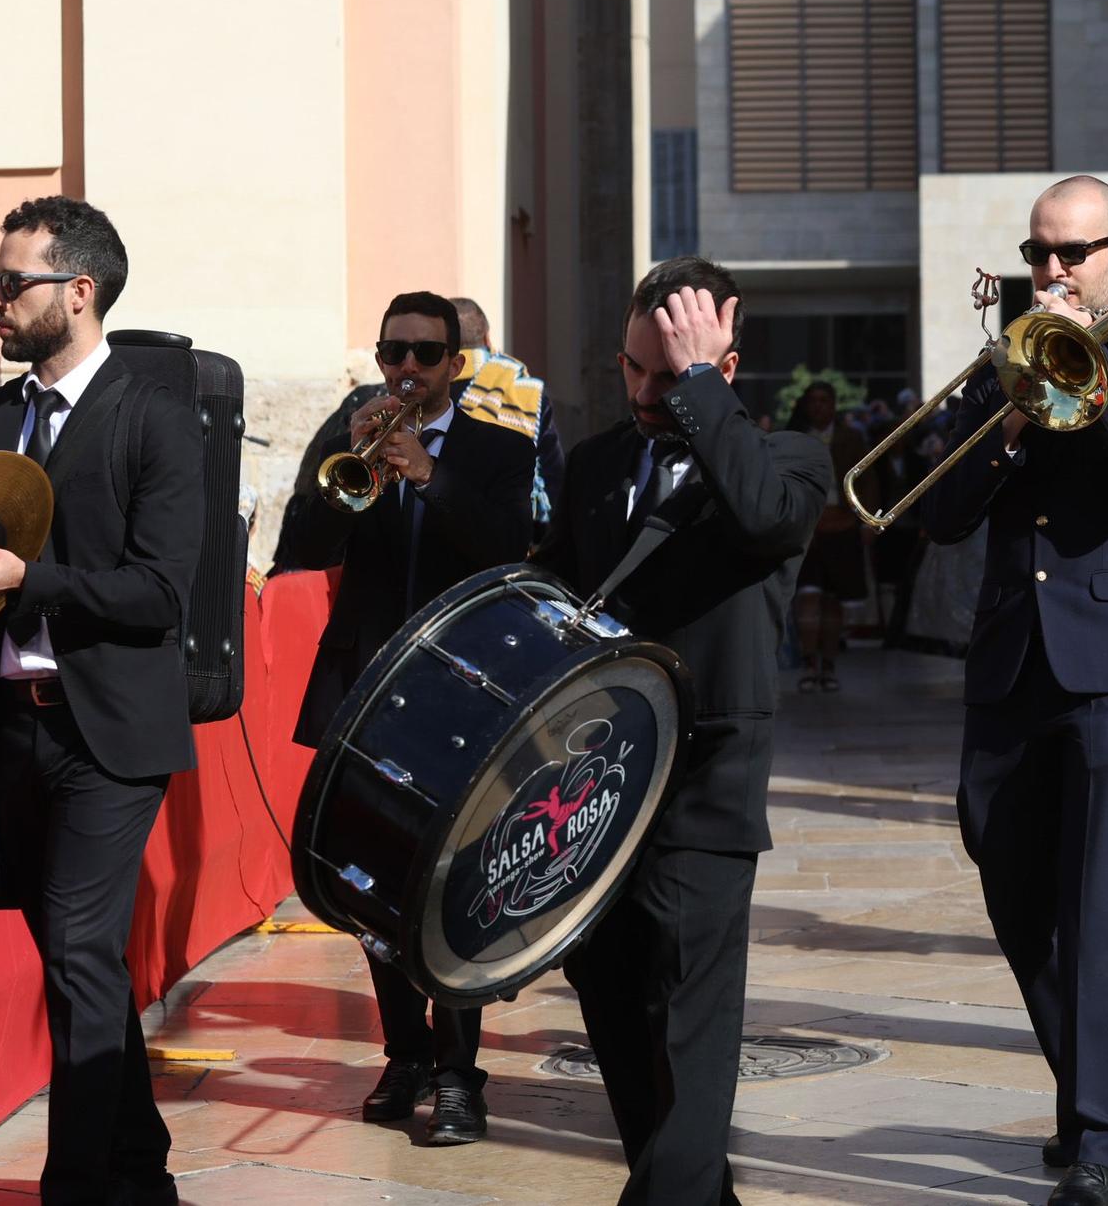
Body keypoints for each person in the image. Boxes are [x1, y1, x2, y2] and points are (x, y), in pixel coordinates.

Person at [920, 175, 1108, 1206]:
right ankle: (1106, 1065)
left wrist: (1086, 362)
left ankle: (1098, 1140)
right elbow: (937, 508)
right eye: (1040, 252)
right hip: (1011, 653)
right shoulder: (997, 360)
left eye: (1074, 252)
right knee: (1005, 871)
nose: (1052, 269)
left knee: (1102, 898)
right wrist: (1004, 417)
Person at [543, 255, 829, 1205]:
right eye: (631, 368)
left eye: (668, 373)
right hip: (597, 780)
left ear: (722, 365)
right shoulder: (590, 466)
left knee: (693, 1026)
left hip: (707, 778)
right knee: (613, 1005)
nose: (643, 392)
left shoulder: (785, 458)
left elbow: (760, 516)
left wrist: (702, 393)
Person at [0, 195, 205, 1204]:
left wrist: (31, 581)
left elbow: (160, 594)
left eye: (14, 284)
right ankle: (141, 1167)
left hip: (111, 738)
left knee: (80, 949)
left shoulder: (153, 415)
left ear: (80, 293)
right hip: (9, 729)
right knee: (77, 957)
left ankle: (81, 1187)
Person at [281, 292, 536, 1145]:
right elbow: (301, 549)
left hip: (461, 694)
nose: (408, 369)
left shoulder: (500, 447)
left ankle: (461, 1070)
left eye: (427, 354)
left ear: (456, 364)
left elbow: (510, 551)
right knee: (364, 874)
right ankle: (406, 1051)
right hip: (365, 685)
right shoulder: (351, 430)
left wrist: (429, 474)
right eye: (395, 351)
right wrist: (352, 462)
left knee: (455, 880)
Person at [449, 294, 567, 532]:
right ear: (487, 338)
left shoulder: (425, 391)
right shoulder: (526, 390)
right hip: (514, 539)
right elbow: (554, 478)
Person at [784, 380, 873, 691]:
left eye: (825, 400)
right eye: (814, 401)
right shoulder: (794, 438)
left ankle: (829, 664)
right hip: (807, 529)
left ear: (834, 405)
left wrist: (866, 522)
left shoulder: (852, 437)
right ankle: (809, 662)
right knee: (808, 595)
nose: (819, 406)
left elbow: (870, 480)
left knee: (835, 599)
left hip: (843, 526)